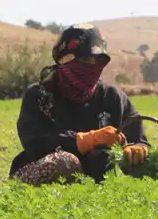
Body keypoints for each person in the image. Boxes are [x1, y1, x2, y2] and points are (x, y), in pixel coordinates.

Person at [10, 24, 150, 184]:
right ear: (64, 60)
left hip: (94, 182)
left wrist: (137, 149)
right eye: (85, 60)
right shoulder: (39, 95)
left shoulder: (112, 96)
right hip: (35, 174)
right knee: (66, 162)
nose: (92, 66)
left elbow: (138, 137)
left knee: (146, 161)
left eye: (98, 61)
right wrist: (87, 140)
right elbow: (34, 143)